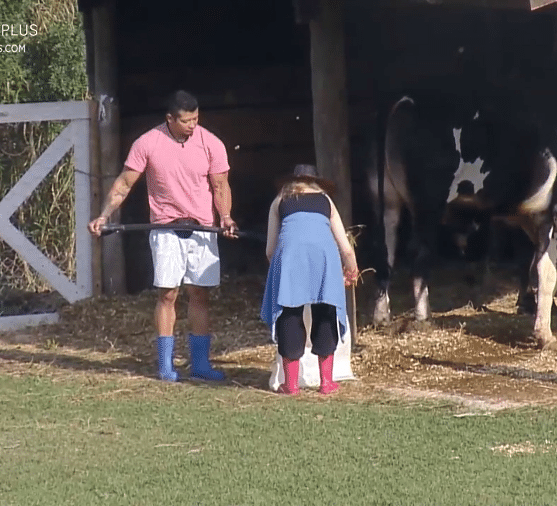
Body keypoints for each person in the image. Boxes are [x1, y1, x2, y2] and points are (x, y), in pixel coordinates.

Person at [88, 89, 237, 382]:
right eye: (186, 120)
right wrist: (104, 215)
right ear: (170, 119)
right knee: (168, 294)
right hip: (166, 228)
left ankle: (200, 364)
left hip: (202, 227)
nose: (193, 125)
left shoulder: (211, 144)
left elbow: (220, 186)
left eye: (196, 118)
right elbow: (124, 184)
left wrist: (226, 217)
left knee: (200, 293)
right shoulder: (148, 143)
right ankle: (166, 364)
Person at [260, 164, 359, 395]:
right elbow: (345, 248)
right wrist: (351, 271)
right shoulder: (326, 200)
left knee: (290, 314)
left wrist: (282, 270)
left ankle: (291, 384)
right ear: (316, 183)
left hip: (290, 257)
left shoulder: (280, 200)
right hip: (324, 259)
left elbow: (269, 249)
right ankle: (326, 382)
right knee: (325, 312)